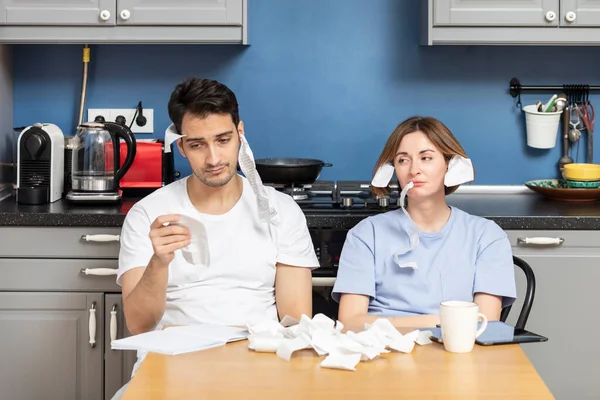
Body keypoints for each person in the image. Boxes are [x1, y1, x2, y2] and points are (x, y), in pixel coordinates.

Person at [113, 77, 319, 398]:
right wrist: (159, 262)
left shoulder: (280, 210)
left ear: (240, 133)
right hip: (170, 369)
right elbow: (139, 325)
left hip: (257, 368)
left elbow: (295, 320)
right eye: (197, 145)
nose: (213, 158)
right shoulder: (149, 214)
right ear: (181, 146)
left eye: (223, 140)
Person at [331, 116, 516, 333]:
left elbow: (485, 325)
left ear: (451, 164)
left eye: (426, 158)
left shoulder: (487, 237)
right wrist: (435, 321)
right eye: (403, 160)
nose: (413, 170)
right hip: (381, 354)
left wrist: (398, 325)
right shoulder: (365, 234)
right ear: (391, 170)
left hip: (454, 353)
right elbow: (350, 323)